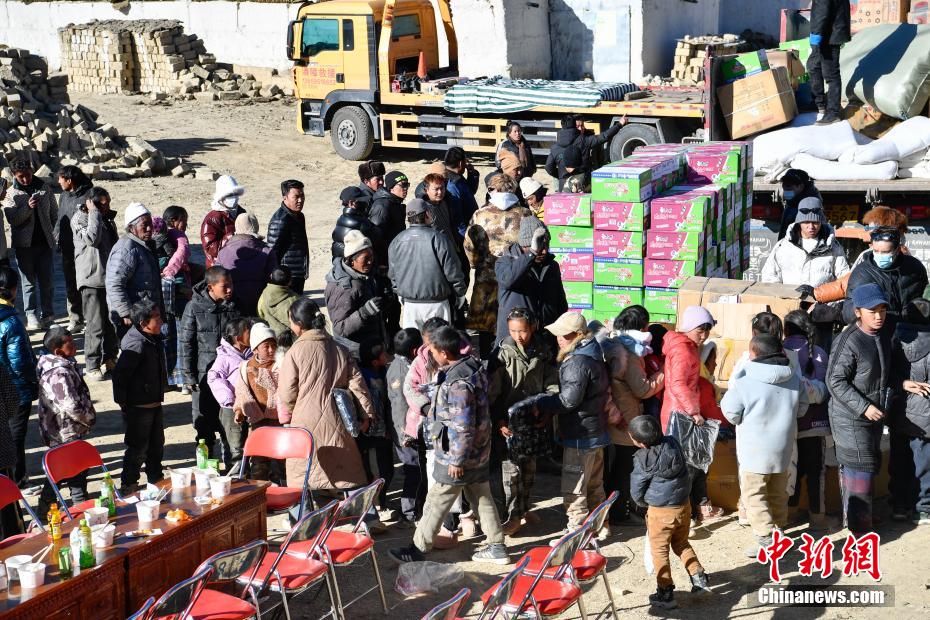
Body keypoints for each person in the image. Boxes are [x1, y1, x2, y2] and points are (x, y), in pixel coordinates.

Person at [388, 325, 508, 565]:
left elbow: (462, 426)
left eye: (432, 351)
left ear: (444, 353)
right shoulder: (471, 366)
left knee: (436, 500)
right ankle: (497, 546)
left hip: (458, 456)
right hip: (477, 452)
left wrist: (456, 460)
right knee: (481, 497)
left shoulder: (458, 384)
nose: (430, 355)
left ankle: (418, 548)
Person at [277, 298, 376, 499]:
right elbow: (357, 385)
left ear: (298, 324)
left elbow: (286, 393)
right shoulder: (340, 349)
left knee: (303, 476)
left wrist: (294, 409)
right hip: (338, 417)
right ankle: (361, 513)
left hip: (304, 421)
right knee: (347, 473)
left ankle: (305, 516)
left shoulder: (294, 352)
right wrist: (366, 414)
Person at [722, 334, 808, 556]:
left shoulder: (744, 381)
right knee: (778, 492)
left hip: (754, 451)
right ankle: (778, 532)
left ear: (753, 354)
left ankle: (767, 539)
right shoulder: (794, 379)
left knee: (754, 495)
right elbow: (802, 409)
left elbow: (731, 413)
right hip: (783, 449)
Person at [827, 283, 892, 535]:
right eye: (872, 311)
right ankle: (859, 532)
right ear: (857, 312)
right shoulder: (849, 341)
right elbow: (835, 381)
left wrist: (901, 383)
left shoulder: (880, 335)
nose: (878, 316)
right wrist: (864, 407)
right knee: (859, 469)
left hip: (873, 415)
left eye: (882, 310)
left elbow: (881, 374)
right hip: (850, 417)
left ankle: (860, 517)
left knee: (868, 465)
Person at [488, 307, 559, 535]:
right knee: (512, 473)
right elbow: (493, 393)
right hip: (508, 423)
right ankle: (513, 516)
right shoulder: (501, 354)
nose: (519, 336)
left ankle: (525, 508)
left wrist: (548, 409)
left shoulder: (543, 350)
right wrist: (499, 420)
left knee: (529, 469)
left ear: (533, 327)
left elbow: (551, 381)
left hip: (533, 419)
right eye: (513, 331)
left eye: (523, 331)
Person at [539, 311, 610, 536]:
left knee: (575, 487)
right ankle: (601, 526)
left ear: (579, 335)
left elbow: (568, 401)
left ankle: (577, 532)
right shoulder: (595, 353)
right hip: (596, 430)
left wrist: (541, 402)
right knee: (595, 484)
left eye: (565, 335)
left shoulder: (576, 362)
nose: (559, 338)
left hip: (580, 433)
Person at [629, 415, 709, 610]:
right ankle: (699, 579)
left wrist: (643, 503)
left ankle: (665, 593)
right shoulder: (673, 442)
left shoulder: (642, 458)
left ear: (640, 443)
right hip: (683, 505)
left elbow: (636, 489)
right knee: (681, 543)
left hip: (660, 511)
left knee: (659, 550)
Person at [599, 305, 665, 526]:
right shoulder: (630, 353)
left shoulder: (613, 344)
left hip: (612, 414)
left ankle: (611, 511)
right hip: (625, 417)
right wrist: (663, 373)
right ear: (643, 327)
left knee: (613, 467)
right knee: (623, 469)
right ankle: (618, 513)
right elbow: (642, 389)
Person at [661, 306, 719, 526]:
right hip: (681, 414)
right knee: (685, 467)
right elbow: (678, 384)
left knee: (687, 465)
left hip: (678, 411)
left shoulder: (686, 346)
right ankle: (684, 516)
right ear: (688, 327)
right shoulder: (684, 350)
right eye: (700, 330)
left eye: (707, 330)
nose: (704, 335)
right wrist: (694, 411)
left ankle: (689, 514)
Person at [179, 266, 241, 468]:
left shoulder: (234, 305)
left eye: (231, 285)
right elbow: (186, 343)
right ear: (210, 287)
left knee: (229, 427)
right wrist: (189, 376)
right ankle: (207, 472)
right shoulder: (193, 308)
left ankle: (232, 472)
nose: (230, 289)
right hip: (203, 377)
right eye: (225, 286)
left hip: (230, 378)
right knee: (204, 428)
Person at [464, 174, 532, 348]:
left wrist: (475, 264)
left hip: (487, 274)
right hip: (516, 274)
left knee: (486, 323)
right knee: (514, 318)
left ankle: (488, 359)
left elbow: (469, 245)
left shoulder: (480, 214)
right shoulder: (525, 214)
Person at [36, 326, 95, 517]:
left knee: (59, 471)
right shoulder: (58, 372)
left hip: (61, 429)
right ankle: (81, 513)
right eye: (69, 342)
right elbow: (71, 405)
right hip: (64, 431)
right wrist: (89, 417)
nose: (75, 344)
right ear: (58, 351)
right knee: (76, 475)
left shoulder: (57, 365)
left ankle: (44, 509)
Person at [783, 310, 834, 529]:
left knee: (792, 472)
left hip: (790, 424)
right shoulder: (820, 352)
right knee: (816, 473)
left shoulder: (781, 350)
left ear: (786, 330)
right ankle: (817, 518)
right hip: (817, 424)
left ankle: (790, 513)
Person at [112, 299, 167, 495]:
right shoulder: (136, 344)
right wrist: (123, 402)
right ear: (144, 323)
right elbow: (120, 376)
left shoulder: (152, 338)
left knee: (156, 446)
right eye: (156, 317)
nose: (161, 321)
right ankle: (129, 484)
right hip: (139, 407)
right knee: (137, 448)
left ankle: (156, 479)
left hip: (153, 403)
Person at [388, 199, 467, 330]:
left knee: (415, 341)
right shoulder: (439, 239)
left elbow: (393, 274)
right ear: (427, 214)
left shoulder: (397, 241)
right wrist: (460, 293)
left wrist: (399, 293)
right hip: (437, 304)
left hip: (410, 305)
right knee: (438, 340)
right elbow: (453, 271)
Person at [2, 157, 58, 330]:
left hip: (45, 243)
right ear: (14, 175)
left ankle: (48, 316)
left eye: (27, 174)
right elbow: (13, 219)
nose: (25, 179)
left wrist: (55, 235)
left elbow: (54, 213)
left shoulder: (44, 188)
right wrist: (27, 208)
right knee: (28, 283)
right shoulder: (11, 193)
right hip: (24, 246)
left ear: (32, 170)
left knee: (47, 282)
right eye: (21, 177)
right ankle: (31, 314)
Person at [813, 205, 910, 304]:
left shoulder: (869, 256)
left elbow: (848, 284)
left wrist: (815, 294)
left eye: (871, 228)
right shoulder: (908, 258)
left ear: (884, 231)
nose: (868, 232)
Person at [494, 217, 567, 346]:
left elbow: (560, 303)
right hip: (514, 342)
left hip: (544, 341)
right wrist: (531, 254)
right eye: (540, 246)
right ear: (525, 245)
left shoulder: (552, 266)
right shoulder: (506, 262)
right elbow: (508, 280)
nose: (544, 251)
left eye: (546, 246)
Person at [71, 187, 119, 381]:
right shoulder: (80, 218)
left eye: (108, 203)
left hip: (110, 278)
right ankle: (92, 364)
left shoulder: (106, 219)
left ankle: (110, 358)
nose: (106, 207)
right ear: (92, 203)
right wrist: (94, 213)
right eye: (102, 204)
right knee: (95, 324)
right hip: (92, 278)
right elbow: (91, 239)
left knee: (111, 322)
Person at [892, 299, 930, 525]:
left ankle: (899, 506)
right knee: (924, 463)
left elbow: (886, 373)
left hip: (899, 410)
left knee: (899, 460)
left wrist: (902, 384)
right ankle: (923, 508)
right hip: (925, 415)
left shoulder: (895, 339)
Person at [842, 226, 928, 325]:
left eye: (885, 252)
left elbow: (925, 295)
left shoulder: (914, 267)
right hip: (880, 331)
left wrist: (921, 309)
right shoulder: (862, 274)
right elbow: (848, 313)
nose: (880, 255)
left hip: (912, 329)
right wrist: (878, 312)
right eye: (876, 251)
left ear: (897, 250)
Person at [232, 322, 285, 482]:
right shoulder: (245, 367)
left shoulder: (280, 364)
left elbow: (280, 387)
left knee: (280, 460)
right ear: (255, 349)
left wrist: (261, 374)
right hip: (257, 423)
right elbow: (241, 392)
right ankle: (258, 490)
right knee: (259, 461)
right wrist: (239, 410)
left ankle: (283, 489)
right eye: (266, 346)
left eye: (273, 345)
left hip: (277, 421)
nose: (271, 350)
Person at [0, 266, 37, 486]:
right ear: (14, 290)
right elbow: (20, 362)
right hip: (14, 389)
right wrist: (34, 378)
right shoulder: (11, 322)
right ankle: (18, 479)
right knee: (15, 435)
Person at [105, 202, 161, 339]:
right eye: (144, 225)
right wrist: (126, 312)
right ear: (131, 227)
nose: (149, 228)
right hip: (133, 317)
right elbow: (114, 284)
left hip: (145, 313)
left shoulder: (144, 244)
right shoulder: (126, 249)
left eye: (150, 224)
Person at [324, 230, 387, 352]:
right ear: (351, 260)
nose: (370, 261)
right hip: (354, 353)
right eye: (365, 258)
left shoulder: (364, 275)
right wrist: (364, 312)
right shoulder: (343, 288)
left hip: (370, 347)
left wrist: (385, 299)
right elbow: (340, 328)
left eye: (371, 256)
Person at [762, 202, 849, 288]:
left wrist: (823, 295)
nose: (811, 227)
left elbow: (844, 278)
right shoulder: (783, 246)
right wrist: (781, 295)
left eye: (815, 222)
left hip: (822, 298)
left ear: (821, 222)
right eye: (806, 222)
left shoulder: (833, 246)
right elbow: (769, 275)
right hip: (789, 297)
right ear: (799, 222)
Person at [207, 317, 253, 476]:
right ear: (238, 338)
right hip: (231, 409)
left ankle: (247, 478)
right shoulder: (224, 357)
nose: (252, 333)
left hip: (249, 407)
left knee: (248, 445)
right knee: (235, 448)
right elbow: (213, 377)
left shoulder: (249, 353)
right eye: (248, 331)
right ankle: (235, 480)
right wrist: (229, 399)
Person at [388, 327, 424, 525]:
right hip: (405, 431)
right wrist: (405, 434)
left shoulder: (404, 365)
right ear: (414, 350)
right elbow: (399, 406)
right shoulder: (400, 372)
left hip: (408, 429)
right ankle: (408, 511)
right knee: (412, 470)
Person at [357, 338, 394, 512]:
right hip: (372, 435)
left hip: (382, 432)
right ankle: (377, 503)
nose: (387, 356)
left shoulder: (381, 371)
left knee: (385, 469)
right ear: (374, 362)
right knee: (378, 470)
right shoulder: (366, 378)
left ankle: (380, 500)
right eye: (383, 354)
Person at [55, 166, 93, 331]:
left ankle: (91, 319)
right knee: (71, 284)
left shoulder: (89, 195)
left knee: (86, 284)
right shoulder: (63, 196)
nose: (58, 182)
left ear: (69, 180)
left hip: (85, 249)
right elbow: (60, 219)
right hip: (67, 248)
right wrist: (56, 236)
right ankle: (76, 319)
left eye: (61, 178)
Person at [216, 212, 277, 315]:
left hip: (232, 304)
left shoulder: (223, 252)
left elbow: (217, 277)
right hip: (259, 303)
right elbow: (274, 279)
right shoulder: (267, 251)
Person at [808, 0, 850, 125]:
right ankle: (819, 103)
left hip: (828, 34)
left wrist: (816, 34)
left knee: (831, 74)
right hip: (829, 31)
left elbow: (822, 9)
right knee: (813, 65)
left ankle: (833, 113)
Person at [545, 115, 622, 182]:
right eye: (578, 126)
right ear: (573, 127)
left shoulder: (555, 147)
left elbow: (549, 167)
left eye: (582, 125)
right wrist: (619, 124)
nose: (581, 128)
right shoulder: (585, 141)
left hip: (563, 183)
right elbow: (605, 136)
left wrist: (561, 176)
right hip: (582, 182)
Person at [266, 179, 308, 294]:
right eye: (296, 197)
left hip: (298, 274)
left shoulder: (299, 216)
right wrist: (279, 277)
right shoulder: (280, 220)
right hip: (287, 278)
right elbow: (272, 252)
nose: (300, 200)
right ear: (285, 197)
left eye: (302, 196)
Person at [201, 175, 246, 268]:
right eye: (229, 195)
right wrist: (231, 236)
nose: (234, 198)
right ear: (221, 197)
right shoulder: (211, 219)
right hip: (219, 266)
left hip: (239, 259)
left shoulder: (241, 212)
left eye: (235, 194)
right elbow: (211, 249)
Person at [369, 171, 409, 266]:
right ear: (391, 188)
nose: (406, 189)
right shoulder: (382, 206)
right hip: (386, 259)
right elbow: (375, 237)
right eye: (403, 185)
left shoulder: (395, 203)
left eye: (407, 185)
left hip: (395, 254)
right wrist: (382, 263)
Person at [332, 186, 380, 260]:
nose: (365, 203)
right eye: (361, 201)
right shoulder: (359, 222)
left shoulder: (342, 218)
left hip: (345, 262)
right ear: (351, 203)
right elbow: (377, 239)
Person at [443, 147, 480, 242]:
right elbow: (457, 218)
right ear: (460, 163)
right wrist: (467, 237)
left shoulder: (457, 177)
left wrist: (472, 174)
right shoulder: (453, 184)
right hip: (464, 234)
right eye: (465, 161)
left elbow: (470, 191)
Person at [778, 170, 822, 239]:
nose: (785, 188)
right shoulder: (793, 199)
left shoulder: (810, 205)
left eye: (788, 185)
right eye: (784, 184)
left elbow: (810, 233)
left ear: (801, 186)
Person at [258, 267, 300, 336]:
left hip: (270, 335)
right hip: (288, 338)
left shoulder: (264, 293)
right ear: (290, 282)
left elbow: (259, 312)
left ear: (271, 276)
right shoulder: (295, 300)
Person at [421, 172, 457, 241]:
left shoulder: (445, 203)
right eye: (436, 189)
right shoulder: (424, 210)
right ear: (426, 190)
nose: (440, 192)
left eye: (442, 188)